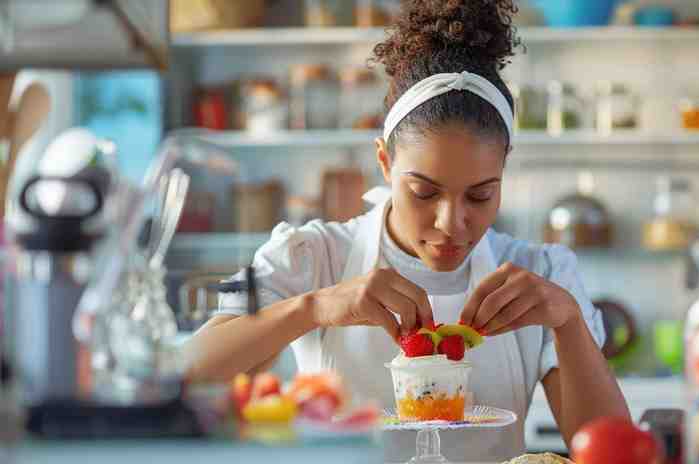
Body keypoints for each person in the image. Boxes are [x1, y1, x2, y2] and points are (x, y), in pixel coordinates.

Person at [185, 0, 628, 460]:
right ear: (385, 163)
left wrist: (570, 322)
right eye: (423, 192)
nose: (451, 223)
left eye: (480, 195)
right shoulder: (306, 253)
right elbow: (187, 374)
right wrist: (314, 306)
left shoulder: (544, 272)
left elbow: (615, 451)